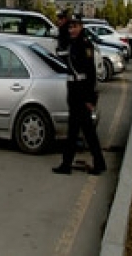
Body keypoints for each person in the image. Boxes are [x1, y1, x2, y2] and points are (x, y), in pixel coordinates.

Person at [53, 13, 106, 175]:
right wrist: (63, 26)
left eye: (75, 26)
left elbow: (90, 73)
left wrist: (90, 98)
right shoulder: (72, 43)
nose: (72, 30)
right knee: (74, 131)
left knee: (87, 132)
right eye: (70, 27)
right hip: (73, 92)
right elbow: (61, 49)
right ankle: (67, 164)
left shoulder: (85, 45)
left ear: (81, 27)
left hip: (82, 93)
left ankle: (97, 163)